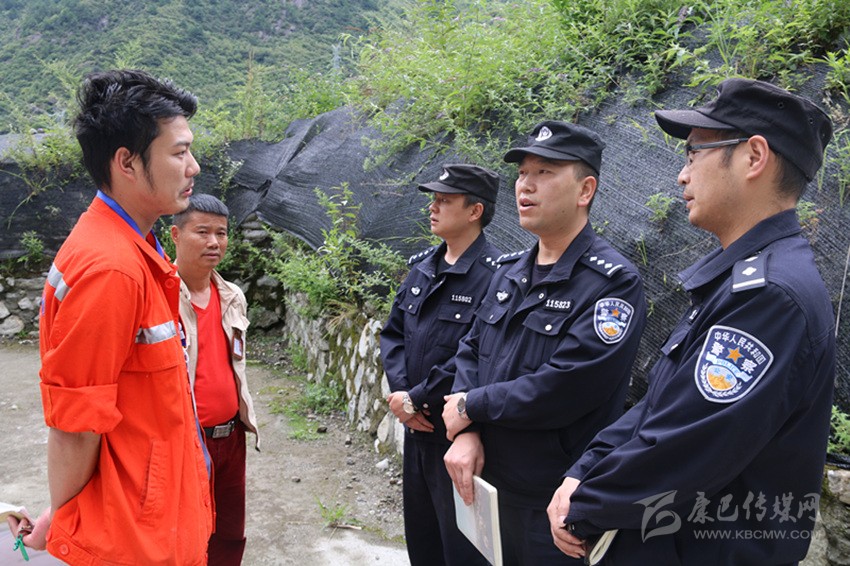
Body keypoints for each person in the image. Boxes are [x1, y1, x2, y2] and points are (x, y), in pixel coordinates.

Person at [548, 78, 835, 565]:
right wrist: (583, 471)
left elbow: (688, 447)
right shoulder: (739, 282)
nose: (682, 176)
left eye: (694, 153)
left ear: (754, 157)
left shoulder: (770, 296)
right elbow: (661, 407)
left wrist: (585, 504)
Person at [6, 69, 213, 564]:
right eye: (179, 152)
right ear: (126, 162)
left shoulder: (135, 247)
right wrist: (65, 518)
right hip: (133, 541)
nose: (194, 167)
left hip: (153, 521)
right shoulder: (112, 270)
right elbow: (76, 429)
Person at [442, 121, 647, 565]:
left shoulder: (612, 284)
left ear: (585, 190)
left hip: (550, 503)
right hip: (484, 481)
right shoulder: (509, 271)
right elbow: (471, 349)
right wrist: (468, 430)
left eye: (545, 172)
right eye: (522, 173)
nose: (525, 185)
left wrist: (470, 406)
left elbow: (567, 386)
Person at [381, 163, 503, 565]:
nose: (432, 208)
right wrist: (402, 395)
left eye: (444, 201)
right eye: (433, 199)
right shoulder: (423, 267)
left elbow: (477, 353)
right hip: (415, 429)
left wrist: (417, 397)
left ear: (475, 211)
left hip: (458, 436)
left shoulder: (496, 277)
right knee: (423, 541)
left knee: (462, 549)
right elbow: (393, 334)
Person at [171, 194, 260, 566]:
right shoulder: (160, 295)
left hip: (231, 437)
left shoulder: (232, 296)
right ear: (175, 234)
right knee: (186, 535)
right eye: (202, 231)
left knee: (229, 533)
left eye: (221, 233)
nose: (214, 242)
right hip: (184, 441)